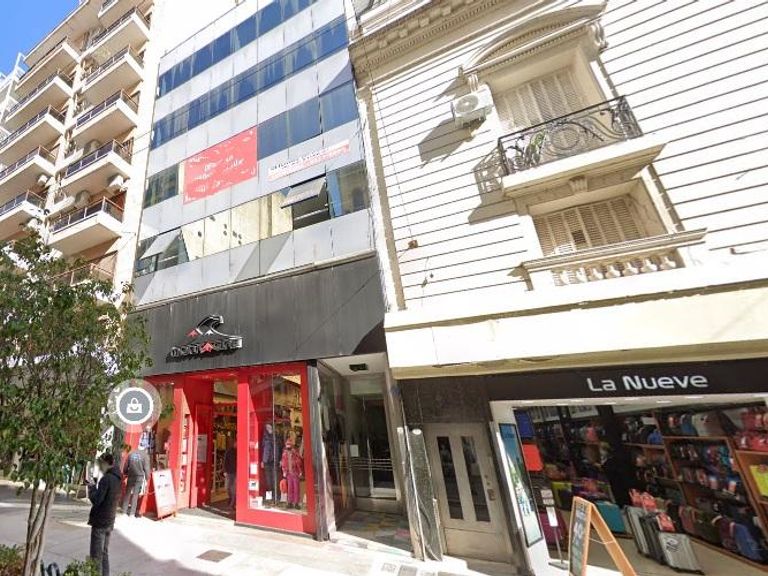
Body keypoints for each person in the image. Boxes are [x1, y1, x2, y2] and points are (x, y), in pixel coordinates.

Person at [88, 453, 121, 576]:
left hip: (100, 521)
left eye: (101, 464)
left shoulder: (106, 479)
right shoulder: (117, 478)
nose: (100, 467)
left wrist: (92, 488)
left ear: (106, 463)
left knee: (96, 557)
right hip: (109, 520)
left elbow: (97, 500)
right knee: (104, 553)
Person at [121, 446, 150, 517]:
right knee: (135, 495)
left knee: (127, 494)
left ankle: (124, 512)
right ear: (145, 448)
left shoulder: (131, 453)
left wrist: (125, 472)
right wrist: (147, 478)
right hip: (139, 477)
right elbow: (146, 468)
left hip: (131, 475)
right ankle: (132, 513)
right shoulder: (145, 455)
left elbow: (126, 466)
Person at [280, 438, 303, 510]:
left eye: (289, 444)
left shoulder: (295, 452)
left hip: (295, 472)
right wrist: (284, 471)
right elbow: (283, 463)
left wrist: (299, 471)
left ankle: (296, 503)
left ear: (292, 445)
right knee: (290, 488)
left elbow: (299, 462)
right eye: (287, 444)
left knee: (296, 488)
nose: (288, 446)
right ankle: (290, 502)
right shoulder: (284, 453)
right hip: (289, 473)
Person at [223, 436, 237, 510]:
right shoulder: (229, 451)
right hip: (229, 472)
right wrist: (225, 471)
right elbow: (225, 461)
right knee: (228, 487)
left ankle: (232, 504)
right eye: (236, 443)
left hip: (236, 472)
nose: (237, 445)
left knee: (233, 488)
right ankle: (231, 500)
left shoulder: (238, 451)